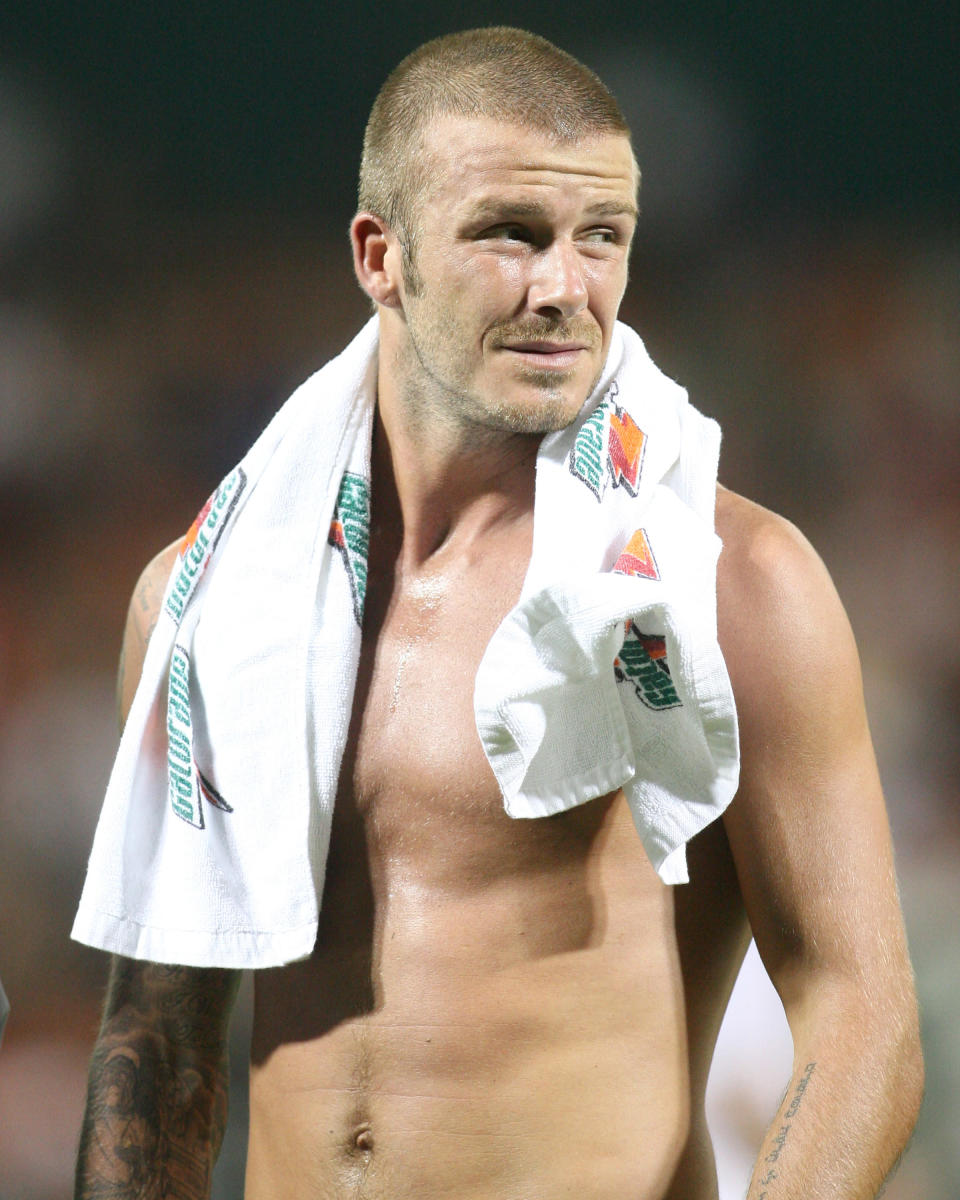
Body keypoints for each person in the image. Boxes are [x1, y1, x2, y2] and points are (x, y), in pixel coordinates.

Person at [73, 26, 922, 1200]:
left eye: (602, 238)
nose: (564, 288)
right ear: (381, 254)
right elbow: (159, 1040)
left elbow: (861, 1011)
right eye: (510, 233)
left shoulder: (728, 582)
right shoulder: (207, 601)